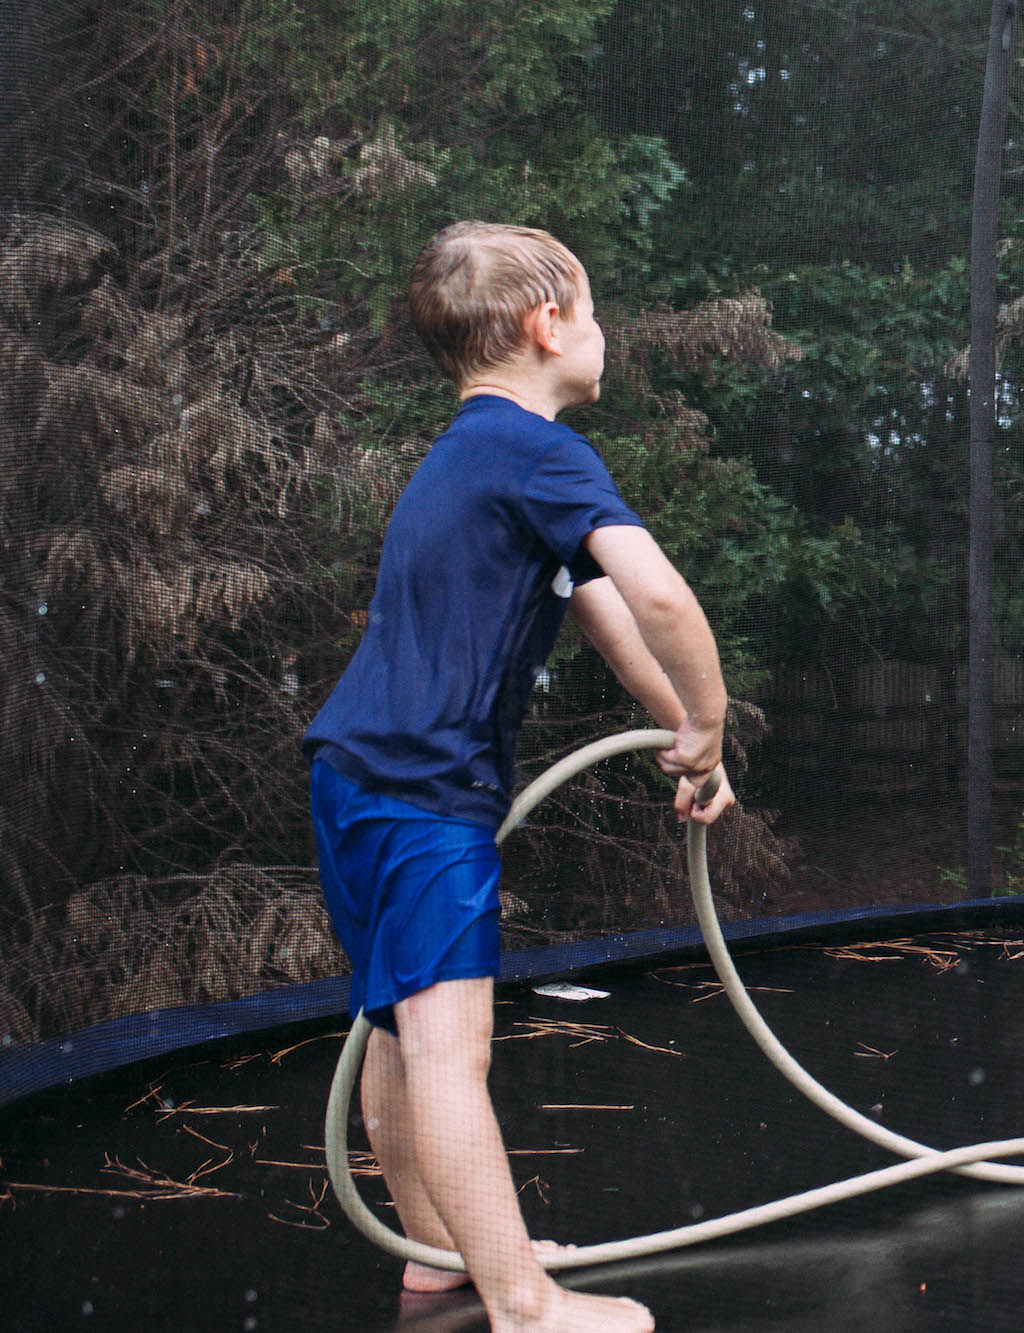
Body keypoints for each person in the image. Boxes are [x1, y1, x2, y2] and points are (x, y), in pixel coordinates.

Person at [305, 221, 734, 1332]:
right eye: (591, 313)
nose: (602, 334)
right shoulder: (542, 451)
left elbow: (599, 616)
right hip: (425, 794)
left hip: (353, 775)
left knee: (399, 1038)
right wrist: (718, 719)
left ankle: (440, 1251)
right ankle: (524, 1298)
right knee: (451, 1046)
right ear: (548, 327)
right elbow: (661, 599)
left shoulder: (469, 456)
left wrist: (680, 727)